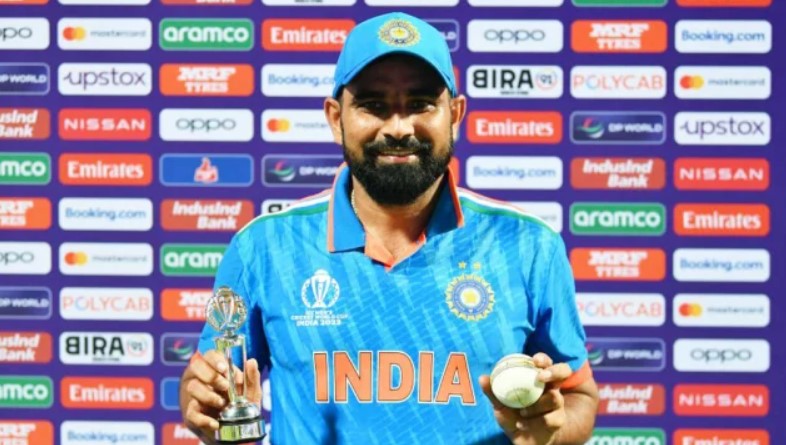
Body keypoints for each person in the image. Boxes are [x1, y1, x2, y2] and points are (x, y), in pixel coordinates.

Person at [179, 11, 599, 445]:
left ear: (455, 115)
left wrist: (550, 430)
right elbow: (209, 385)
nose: (398, 128)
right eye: (373, 105)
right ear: (335, 118)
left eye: (420, 104)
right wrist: (204, 402)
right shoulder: (264, 246)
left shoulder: (529, 245)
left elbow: (579, 396)